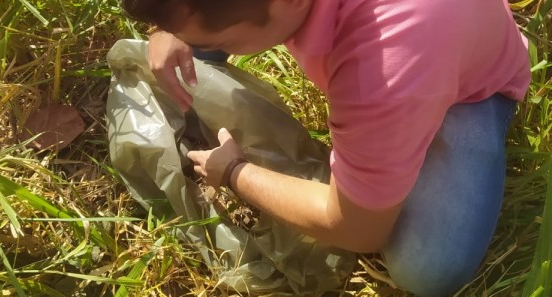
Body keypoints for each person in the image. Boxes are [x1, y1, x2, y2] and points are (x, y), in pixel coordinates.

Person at [121, 0, 531, 296]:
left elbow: (356, 228)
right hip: (438, 31)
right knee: (203, 32)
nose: (187, 41)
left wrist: (234, 172)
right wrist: (166, 31)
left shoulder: (380, 73)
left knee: (428, 267)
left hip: (471, 88)